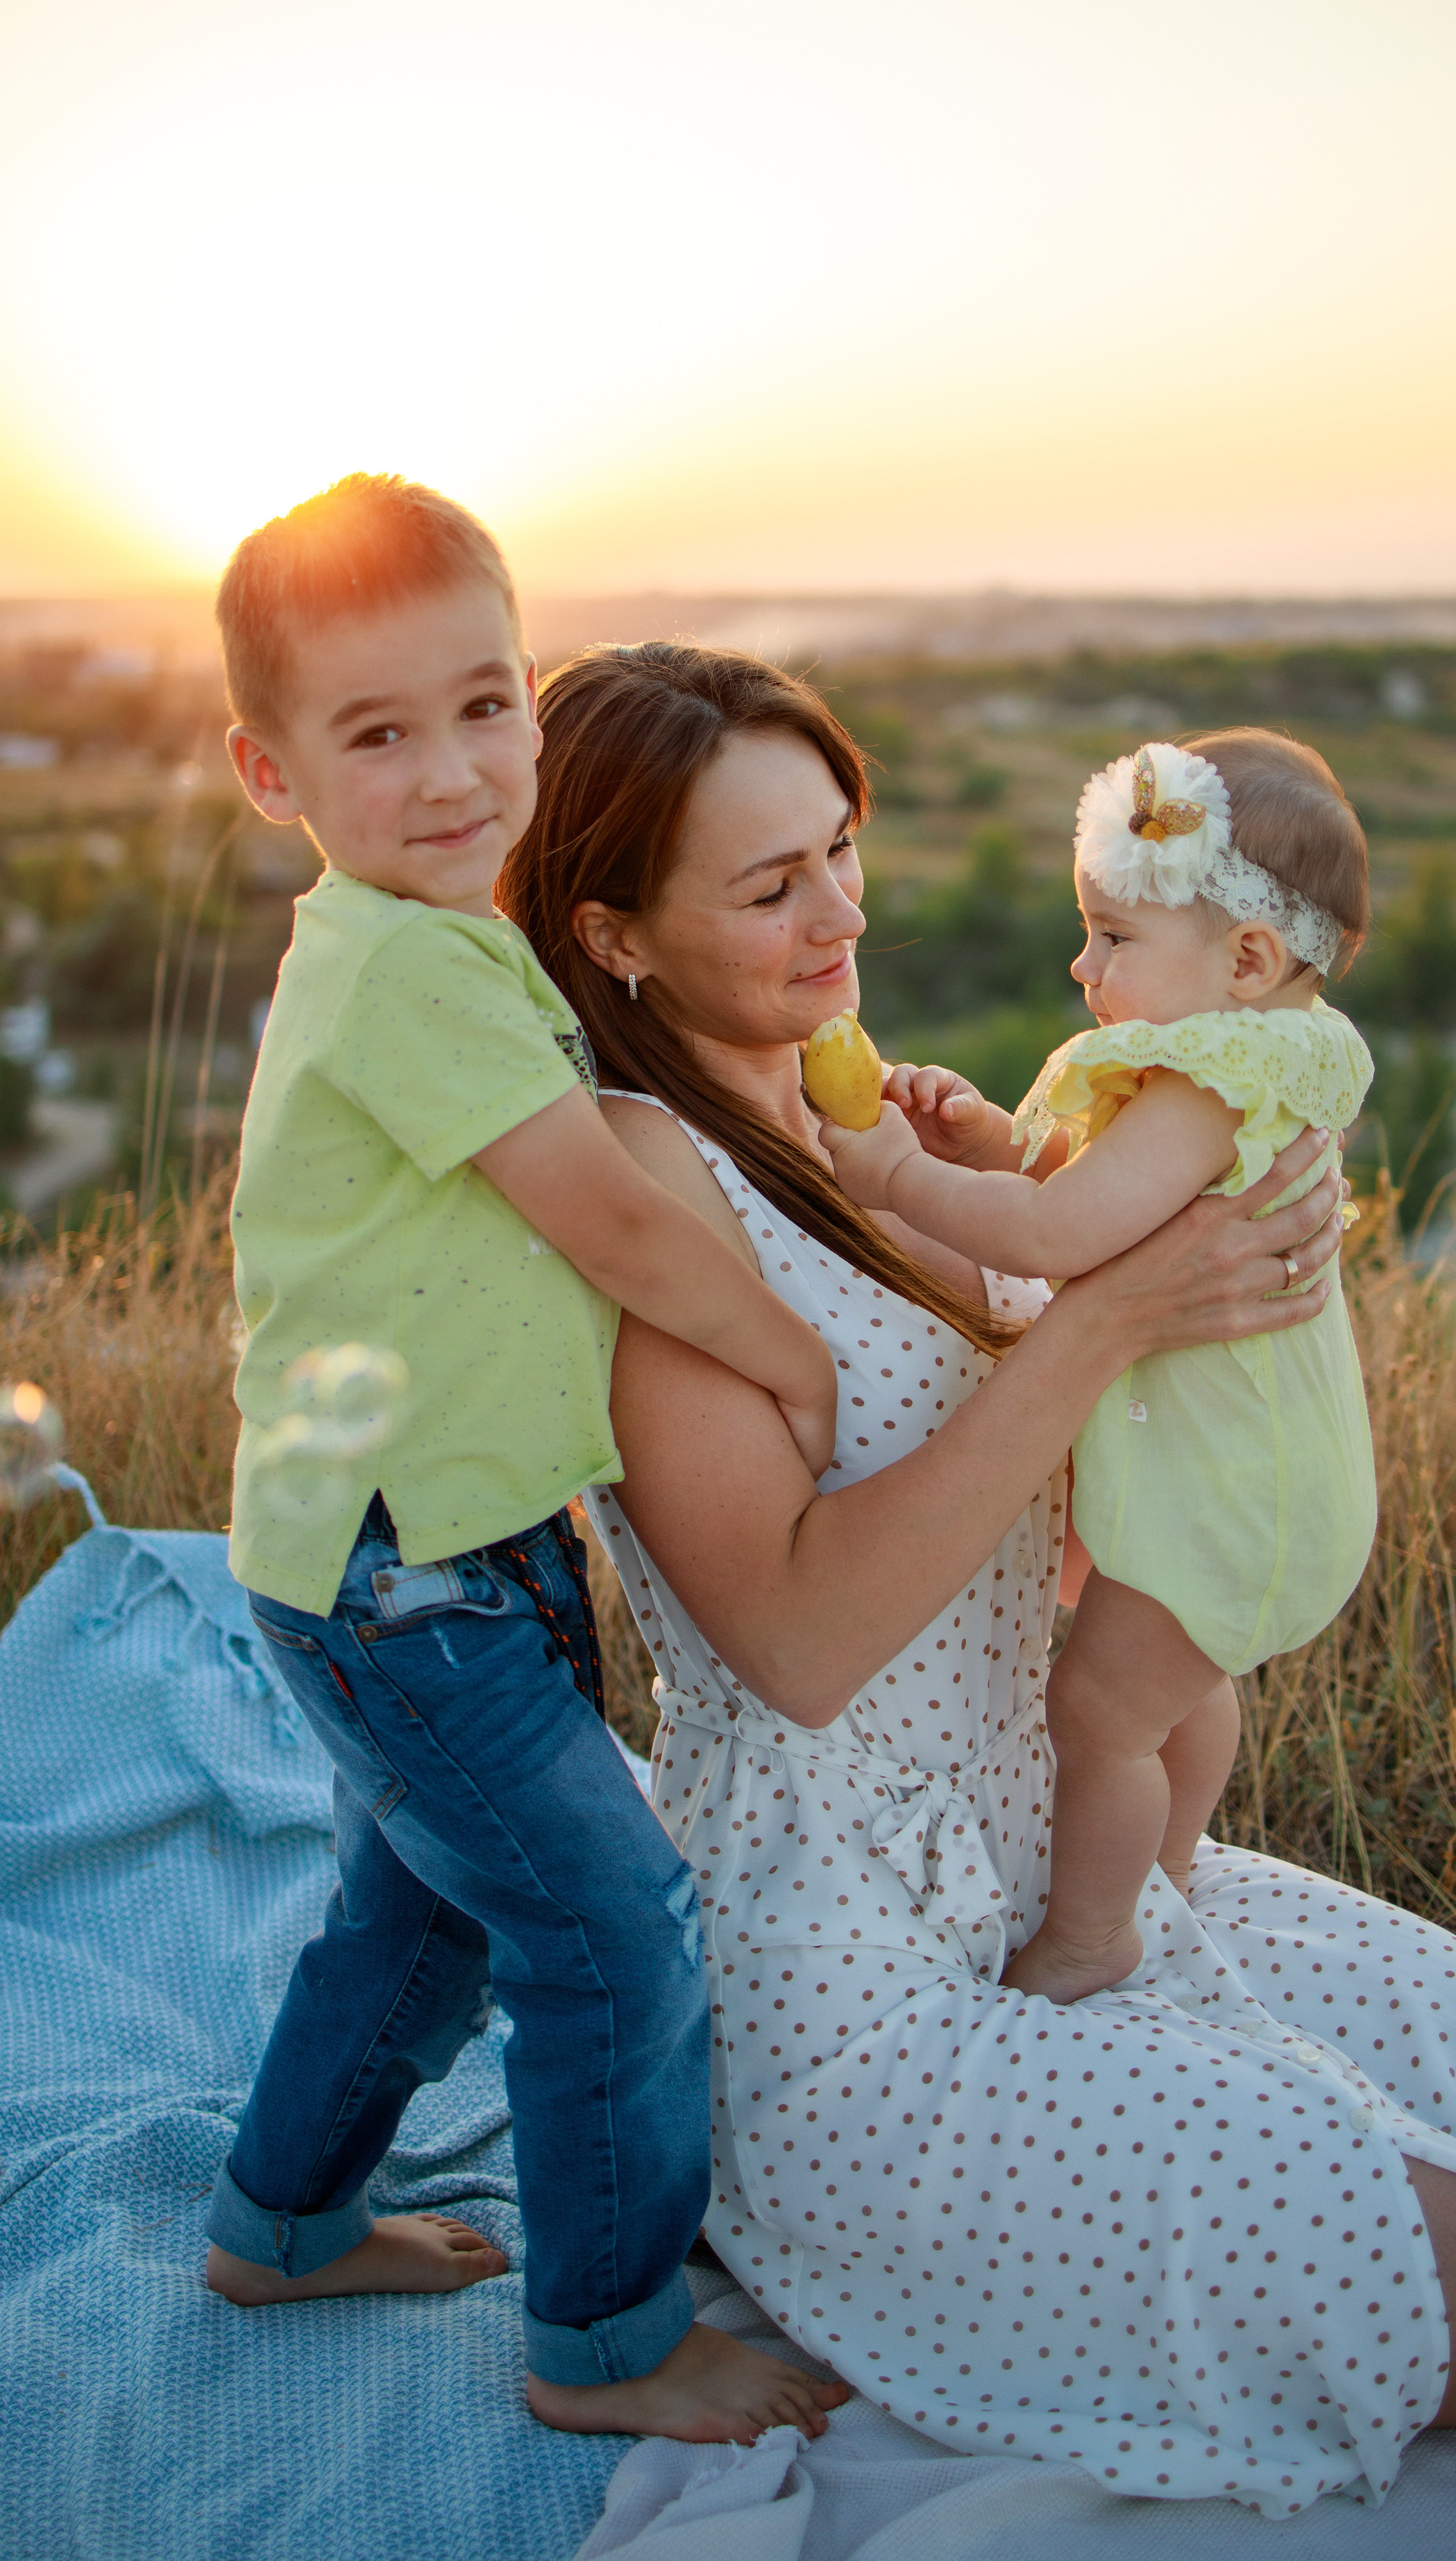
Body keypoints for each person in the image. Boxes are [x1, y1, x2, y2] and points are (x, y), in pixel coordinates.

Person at [500, 637, 1456, 2520]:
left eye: (843, 849)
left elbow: (1040, 1348)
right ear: (616, 936)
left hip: (1048, 1849)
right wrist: (1107, 1322)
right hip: (861, 1980)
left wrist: (1152, 1253)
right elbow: (795, 1643)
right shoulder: (649, 1187)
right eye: (771, 882)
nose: (840, 912)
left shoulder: (828, 1104)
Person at [201, 476, 847, 2448]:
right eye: (377, 734)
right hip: (407, 1579)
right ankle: (609, 2343)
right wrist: (788, 1352)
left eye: (486, 706)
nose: (454, 770)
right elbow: (616, 1221)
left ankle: (279, 2225)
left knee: (417, 1919)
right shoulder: (400, 968)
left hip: (438, 1548)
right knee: (612, 1931)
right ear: (266, 767)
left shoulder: (434, 942)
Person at [820, 731, 1378, 2006]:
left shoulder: (1204, 1083)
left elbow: (1067, 1241)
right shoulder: (1245, 1057)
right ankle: (1165, 1866)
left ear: (1246, 958)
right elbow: (1094, 1205)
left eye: (1114, 937)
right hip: (1252, 1485)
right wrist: (996, 1155)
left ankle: (1090, 1938)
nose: (1083, 967)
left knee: (1098, 1711)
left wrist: (903, 1178)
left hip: (1235, 1494)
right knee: (1179, 1686)